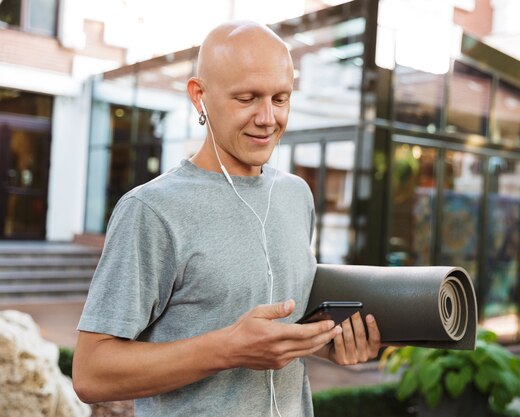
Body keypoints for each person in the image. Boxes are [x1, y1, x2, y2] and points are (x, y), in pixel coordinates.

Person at [72, 21, 381, 417]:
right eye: (247, 98)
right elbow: (91, 374)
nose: (268, 118)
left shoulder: (296, 195)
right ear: (199, 96)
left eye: (280, 99)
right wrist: (228, 348)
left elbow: (278, 334)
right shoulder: (151, 210)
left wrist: (327, 344)